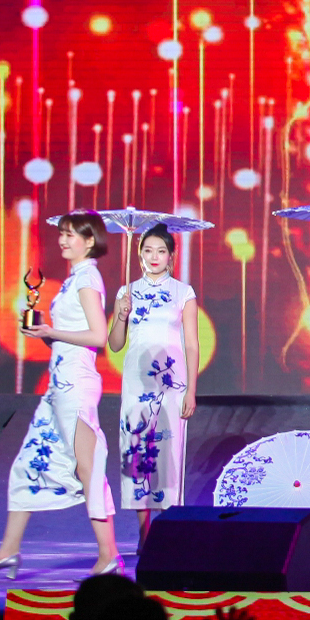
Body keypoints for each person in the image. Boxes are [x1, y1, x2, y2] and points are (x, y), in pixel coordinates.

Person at [0, 211, 120, 577]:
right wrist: (45, 332)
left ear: (90, 241)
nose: (63, 240)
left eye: (71, 234)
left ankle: (109, 554)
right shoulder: (74, 279)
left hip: (76, 385)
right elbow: (70, 336)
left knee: (88, 467)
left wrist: (50, 333)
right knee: (30, 461)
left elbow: (98, 337)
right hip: (59, 385)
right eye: (62, 233)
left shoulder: (87, 278)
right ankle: (8, 549)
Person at [108, 223, 199, 543]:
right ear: (139, 255)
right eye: (148, 250)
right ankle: (145, 534)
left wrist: (191, 390)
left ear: (171, 256)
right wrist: (121, 315)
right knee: (136, 449)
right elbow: (115, 345)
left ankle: (168, 532)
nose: (154, 256)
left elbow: (192, 345)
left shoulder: (183, 292)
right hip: (136, 382)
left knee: (168, 452)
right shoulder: (126, 292)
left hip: (172, 383)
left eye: (161, 251)